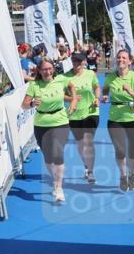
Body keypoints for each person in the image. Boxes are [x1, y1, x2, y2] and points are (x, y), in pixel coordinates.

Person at [22, 59, 77, 203]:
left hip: (60, 120)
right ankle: (55, 179)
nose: (48, 72)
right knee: (48, 157)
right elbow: (24, 105)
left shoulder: (60, 79)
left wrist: (74, 100)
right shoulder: (34, 85)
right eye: (44, 69)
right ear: (39, 71)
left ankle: (59, 188)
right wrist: (32, 103)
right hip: (41, 123)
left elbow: (71, 86)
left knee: (58, 153)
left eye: (50, 69)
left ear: (53, 69)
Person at [103, 50, 134, 191]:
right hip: (115, 118)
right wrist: (105, 96)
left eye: (124, 58)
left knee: (133, 150)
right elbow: (105, 90)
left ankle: (132, 175)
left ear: (129, 61)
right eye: (118, 57)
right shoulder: (110, 77)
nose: (120, 59)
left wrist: (131, 92)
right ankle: (123, 176)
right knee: (120, 150)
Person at [67, 51, 101, 184]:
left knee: (88, 141)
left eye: (78, 61)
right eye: (74, 60)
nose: (76, 63)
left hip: (91, 112)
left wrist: (97, 98)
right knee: (81, 145)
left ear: (83, 62)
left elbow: (97, 86)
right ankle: (86, 166)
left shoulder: (90, 74)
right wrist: (71, 98)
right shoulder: (65, 77)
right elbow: (61, 95)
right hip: (74, 114)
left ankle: (91, 172)